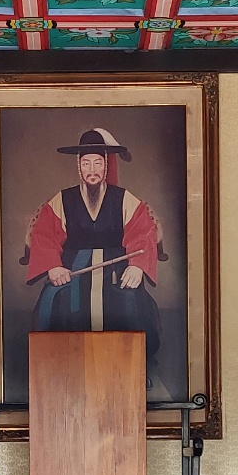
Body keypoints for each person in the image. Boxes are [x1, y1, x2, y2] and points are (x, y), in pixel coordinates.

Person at [23, 128, 164, 388]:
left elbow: (143, 234)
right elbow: (44, 235)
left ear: (106, 165)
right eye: (86, 163)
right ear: (78, 166)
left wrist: (137, 267)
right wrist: (53, 266)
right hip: (72, 268)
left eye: (98, 163)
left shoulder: (125, 199)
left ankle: (132, 369)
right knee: (53, 300)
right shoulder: (62, 200)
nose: (92, 170)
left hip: (117, 267)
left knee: (130, 301)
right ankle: (58, 370)